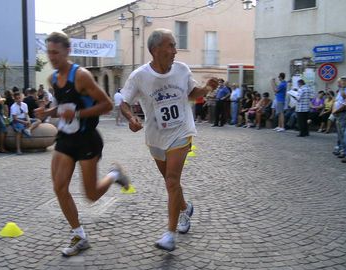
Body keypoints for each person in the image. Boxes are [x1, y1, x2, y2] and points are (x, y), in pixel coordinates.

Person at [120, 28, 219, 251]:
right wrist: (131, 118)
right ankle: (185, 207)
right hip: (155, 136)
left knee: (172, 180)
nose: (175, 51)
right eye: (171, 45)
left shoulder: (182, 70)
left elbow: (192, 94)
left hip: (181, 131)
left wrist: (206, 88)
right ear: (155, 50)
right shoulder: (139, 76)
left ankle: (170, 233)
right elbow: (124, 101)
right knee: (170, 181)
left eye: (175, 45)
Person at [34, 32, 130, 256]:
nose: (52, 57)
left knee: (91, 195)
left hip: (87, 138)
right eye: (49, 52)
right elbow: (63, 106)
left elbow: (106, 105)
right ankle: (79, 235)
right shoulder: (53, 79)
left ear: (68, 51)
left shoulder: (82, 76)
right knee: (59, 187)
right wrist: (46, 112)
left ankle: (115, 175)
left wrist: (78, 114)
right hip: (66, 139)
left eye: (56, 52)